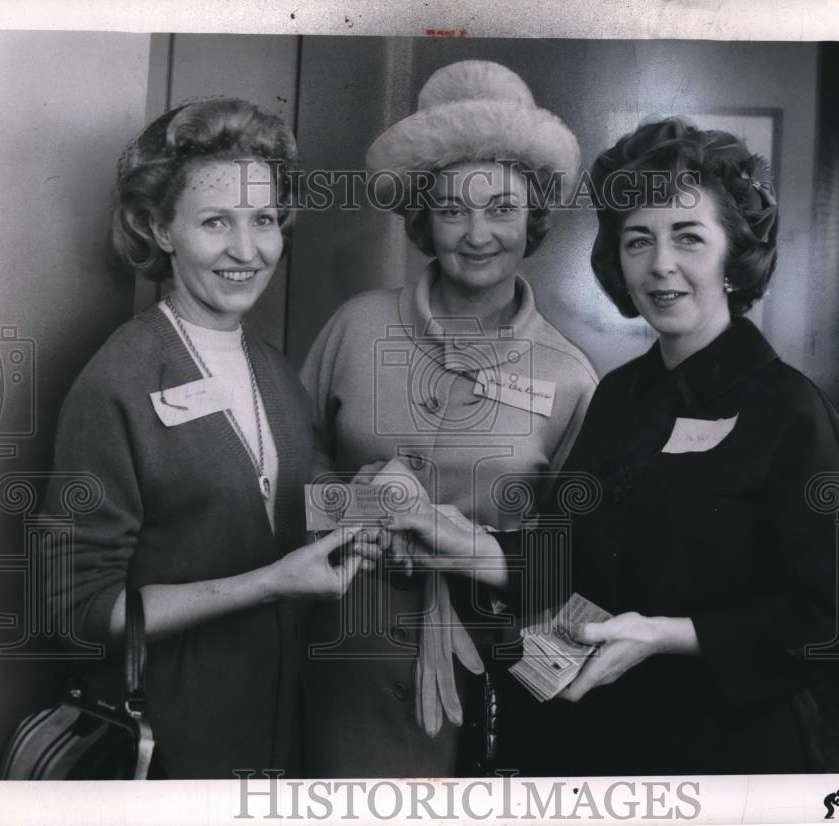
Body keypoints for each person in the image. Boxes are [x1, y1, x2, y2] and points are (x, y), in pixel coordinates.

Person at [391, 117, 839, 775]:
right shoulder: (617, 396)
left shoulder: (790, 412)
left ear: (734, 256)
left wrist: (664, 635)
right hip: (597, 740)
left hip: (726, 754)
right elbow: (569, 561)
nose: (661, 265)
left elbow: (832, 618)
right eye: (639, 241)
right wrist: (466, 543)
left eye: (689, 238)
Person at [43, 98, 378, 779]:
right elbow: (77, 610)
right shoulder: (119, 379)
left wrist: (372, 499)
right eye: (216, 222)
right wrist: (268, 584)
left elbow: (298, 500)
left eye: (263, 221)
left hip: (280, 731)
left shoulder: (275, 372)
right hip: (171, 740)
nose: (247, 250)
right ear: (159, 227)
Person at [300, 60, 598, 777]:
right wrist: (369, 503)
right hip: (345, 659)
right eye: (453, 209)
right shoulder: (355, 328)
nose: (477, 233)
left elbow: (577, 561)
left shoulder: (572, 377)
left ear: (534, 218)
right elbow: (287, 490)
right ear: (422, 220)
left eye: (501, 208)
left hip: (492, 677)